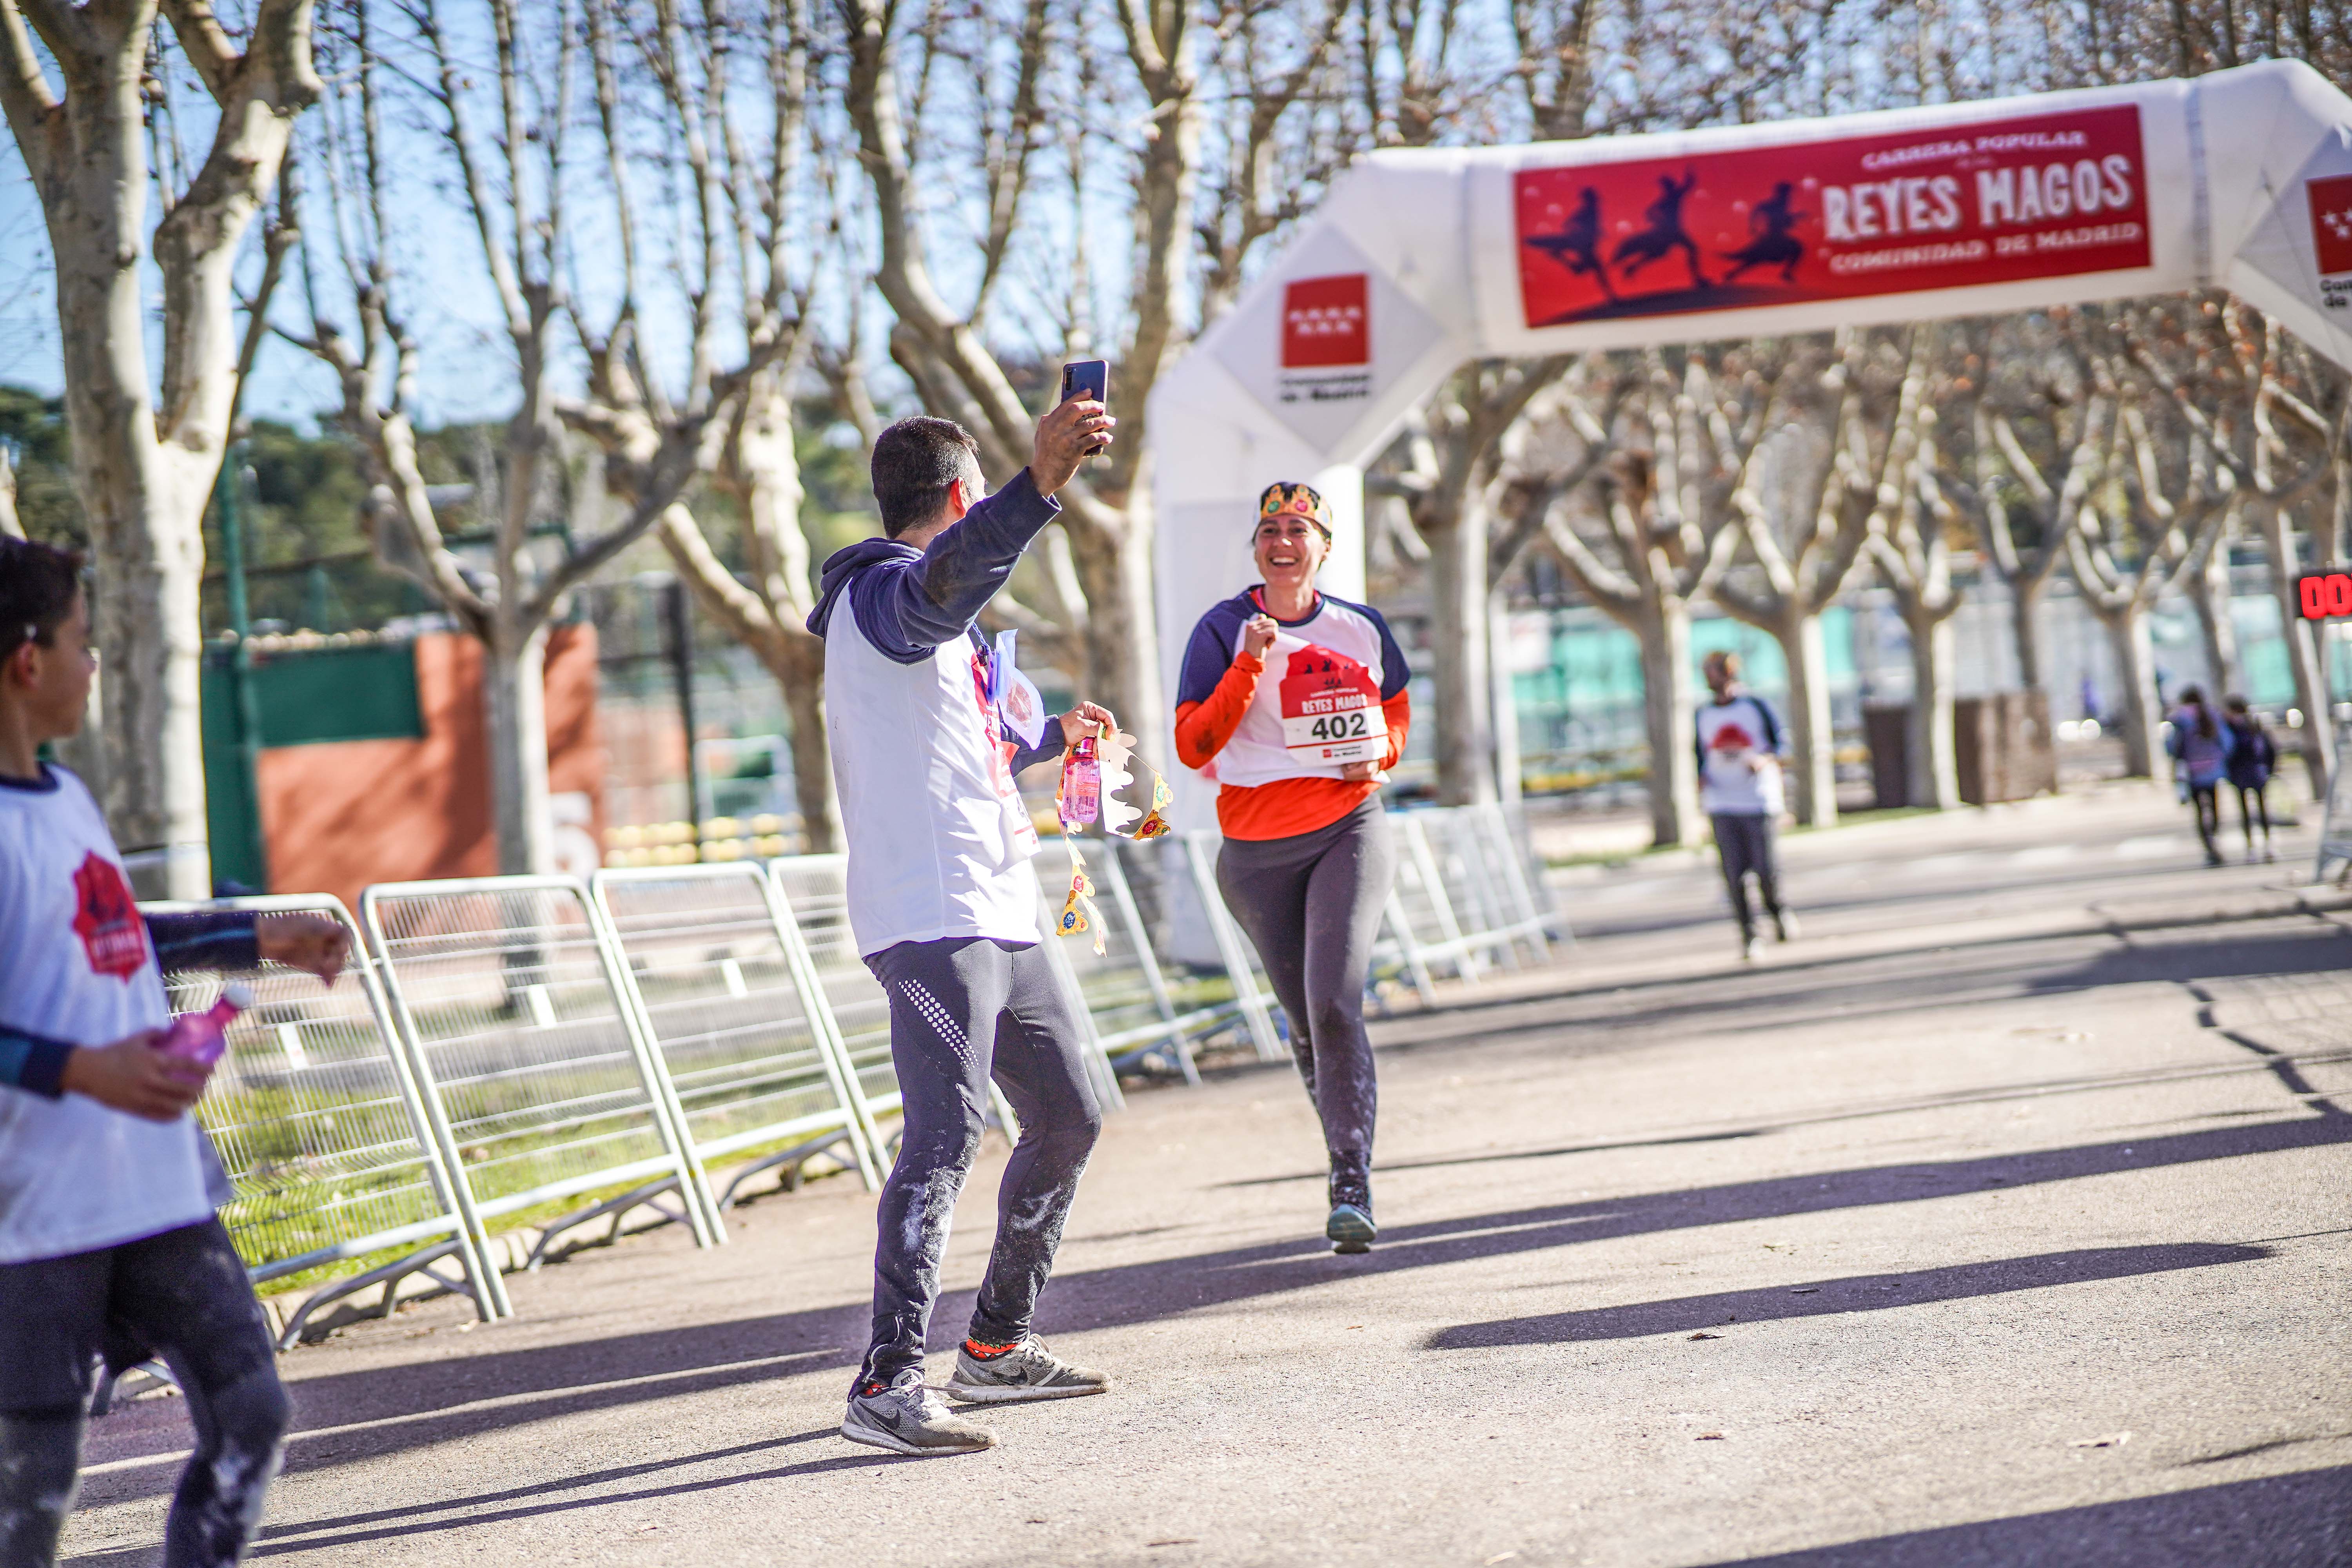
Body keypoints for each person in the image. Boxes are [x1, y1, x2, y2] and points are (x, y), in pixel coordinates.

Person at [0, 536, 350, 1567]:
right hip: (33, 1221)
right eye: (81, 642)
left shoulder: (64, 794)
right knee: (30, 1507)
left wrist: (256, 937)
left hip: (155, 1193)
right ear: (28, 661)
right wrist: (82, 1069)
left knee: (251, 1415)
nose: (93, 663)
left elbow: (107, 929)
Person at [807, 397, 1121, 1457]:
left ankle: (993, 1349)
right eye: (978, 494)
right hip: (930, 916)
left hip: (999, 907)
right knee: (944, 1140)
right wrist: (1036, 487)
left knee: (1071, 1112)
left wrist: (1062, 739)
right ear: (959, 497)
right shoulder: (883, 591)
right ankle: (886, 1383)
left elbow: (976, 736)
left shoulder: (929, 625)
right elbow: (940, 592)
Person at [1174, 483, 1409, 1255]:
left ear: (1325, 546)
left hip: (1350, 826)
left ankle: (1351, 1179)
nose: (1283, 540)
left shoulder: (1361, 627)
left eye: (1299, 528)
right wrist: (1248, 665)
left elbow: (1396, 712)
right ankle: (1345, 1151)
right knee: (1306, 1023)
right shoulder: (1222, 628)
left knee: (1335, 1001)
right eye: (1269, 528)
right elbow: (1194, 745)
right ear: (1255, 547)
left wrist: (1381, 753)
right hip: (1254, 850)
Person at [1698, 650, 1795, 962]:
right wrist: (1700, 779)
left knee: (1765, 869)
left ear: (1729, 673)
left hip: (1757, 799)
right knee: (1733, 874)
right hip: (1722, 802)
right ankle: (1749, 934)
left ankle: (1777, 911)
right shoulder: (1702, 713)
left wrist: (1763, 761)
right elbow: (1699, 753)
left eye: (1714, 671)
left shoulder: (1754, 706)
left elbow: (1781, 744)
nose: (1710, 678)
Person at [2167, 685, 2234, 867]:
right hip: (2213, 770)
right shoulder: (2212, 714)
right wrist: (2221, 760)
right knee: (2214, 808)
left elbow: (2172, 746)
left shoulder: (2181, 719)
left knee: (2199, 811)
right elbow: (2226, 742)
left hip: (2192, 773)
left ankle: (2209, 847)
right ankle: (2215, 837)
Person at [2222, 697, 2278, 863]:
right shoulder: (2250, 725)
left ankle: (2259, 846)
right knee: (2257, 810)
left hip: (2248, 773)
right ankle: (2261, 845)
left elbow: (2228, 752)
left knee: (2255, 811)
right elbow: (2271, 749)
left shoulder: (2235, 727)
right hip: (2255, 772)